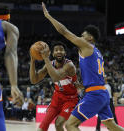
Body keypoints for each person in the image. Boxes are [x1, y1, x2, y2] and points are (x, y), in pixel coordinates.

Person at [42, 2, 124, 131]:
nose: (80, 36)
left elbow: (64, 31)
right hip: (102, 93)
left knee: (70, 125)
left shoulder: (86, 45)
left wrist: (48, 16)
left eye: (83, 35)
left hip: (95, 94)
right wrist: (82, 85)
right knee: (111, 125)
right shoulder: (97, 52)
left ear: (90, 38)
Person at [30, 41, 80, 131]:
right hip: (57, 98)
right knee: (42, 127)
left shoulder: (69, 65)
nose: (59, 52)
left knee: (58, 123)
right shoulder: (49, 64)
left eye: (61, 50)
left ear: (65, 53)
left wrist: (45, 58)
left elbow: (55, 77)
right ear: (52, 53)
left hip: (70, 99)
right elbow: (34, 80)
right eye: (56, 50)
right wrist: (32, 61)